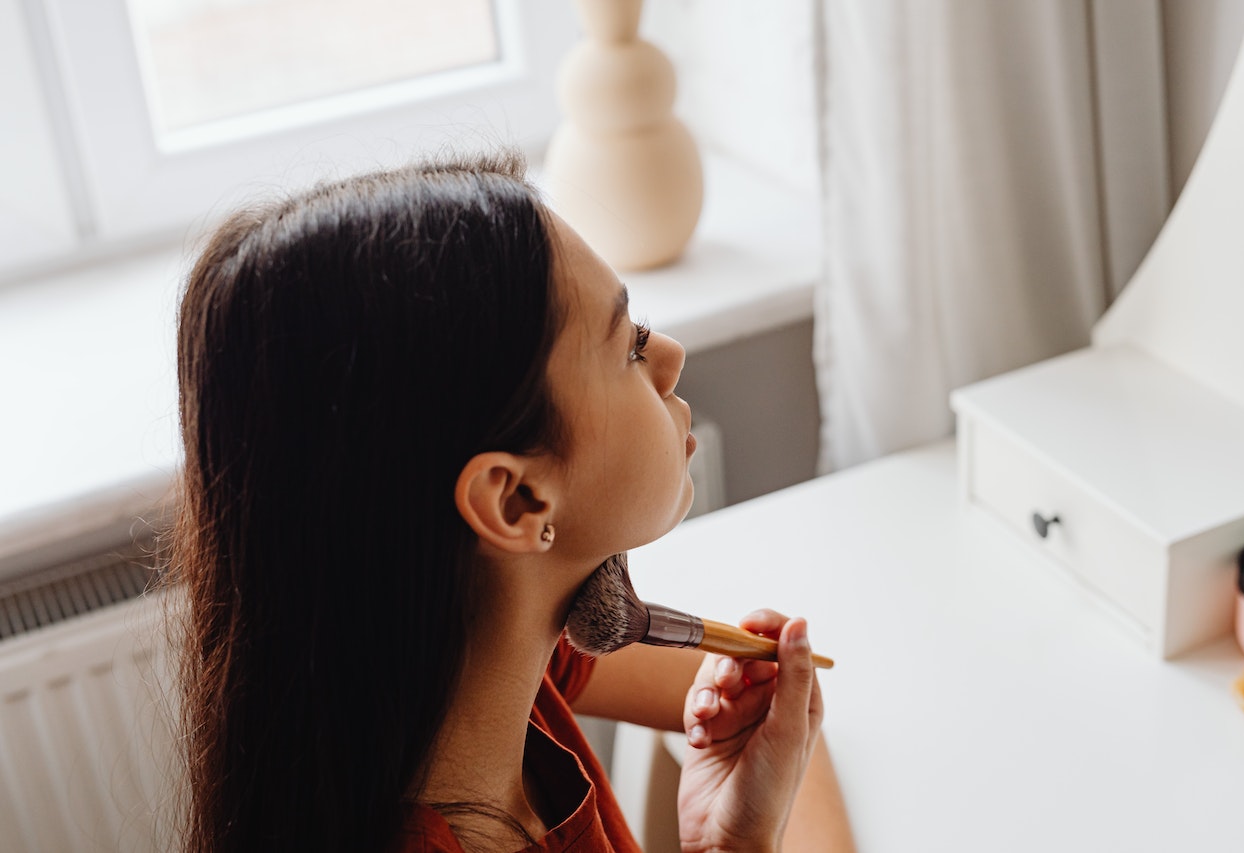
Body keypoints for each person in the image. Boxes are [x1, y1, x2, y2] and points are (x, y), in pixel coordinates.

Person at [171, 151, 855, 852]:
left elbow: (762, 695)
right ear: (517, 500)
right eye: (627, 347)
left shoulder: (482, 661)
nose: (670, 355)